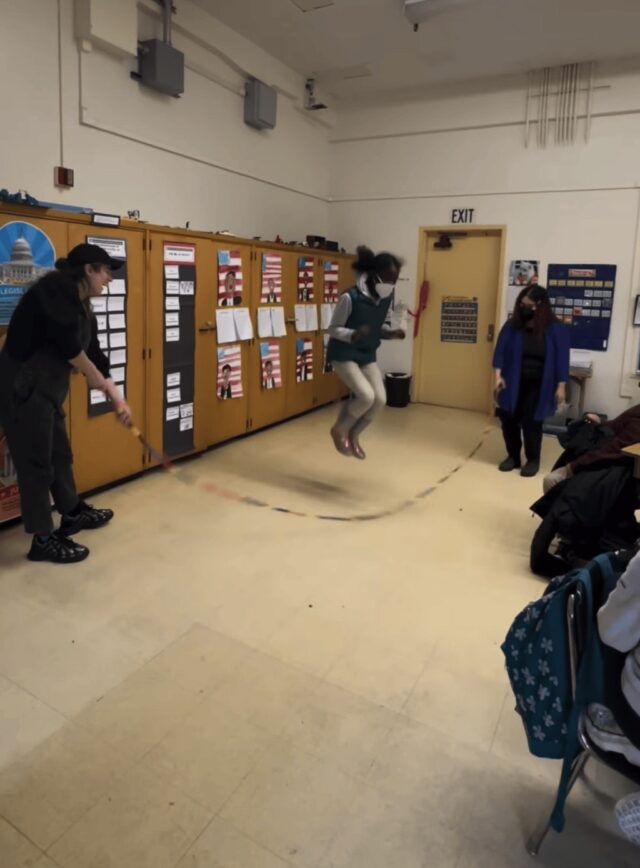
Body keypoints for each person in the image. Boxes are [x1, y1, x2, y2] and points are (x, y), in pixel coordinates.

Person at [0, 243, 132, 564]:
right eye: (105, 271)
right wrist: (94, 378)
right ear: (88, 270)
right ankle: (43, 540)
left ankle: (71, 514)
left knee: (60, 453)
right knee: (36, 464)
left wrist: (116, 396)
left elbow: (95, 353)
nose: (109, 280)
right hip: (22, 390)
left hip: (47, 391)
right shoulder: (53, 291)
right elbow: (69, 345)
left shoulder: (84, 304)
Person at [326, 245, 405, 459]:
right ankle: (339, 430)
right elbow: (332, 329)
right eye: (388, 279)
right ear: (374, 276)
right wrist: (353, 334)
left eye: (395, 280)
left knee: (380, 399)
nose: (391, 285)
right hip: (343, 354)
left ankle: (354, 435)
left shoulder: (385, 300)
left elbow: (376, 329)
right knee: (366, 395)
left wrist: (391, 334)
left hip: (366, 354)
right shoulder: (350, 298)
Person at [493, 284, 570, 477]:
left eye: (529, 305)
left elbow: (562, 359)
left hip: (539, 384)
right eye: (522, 304)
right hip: (512, 382)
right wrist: (497, 377)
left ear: (540, 305)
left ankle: (533, 458)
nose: (524, 308)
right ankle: (513, 456)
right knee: (508, 418)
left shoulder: (555, 329)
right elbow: (499, 353)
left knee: (532, 421)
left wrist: (561, 386)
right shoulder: (512, 326)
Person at [543, 404, 640, 493]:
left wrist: (574, 466)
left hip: (615, 469)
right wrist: (600, 423)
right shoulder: (637, 410)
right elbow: (616, 426)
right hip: (609, 459)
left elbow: (614, 449)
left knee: (551, 480)